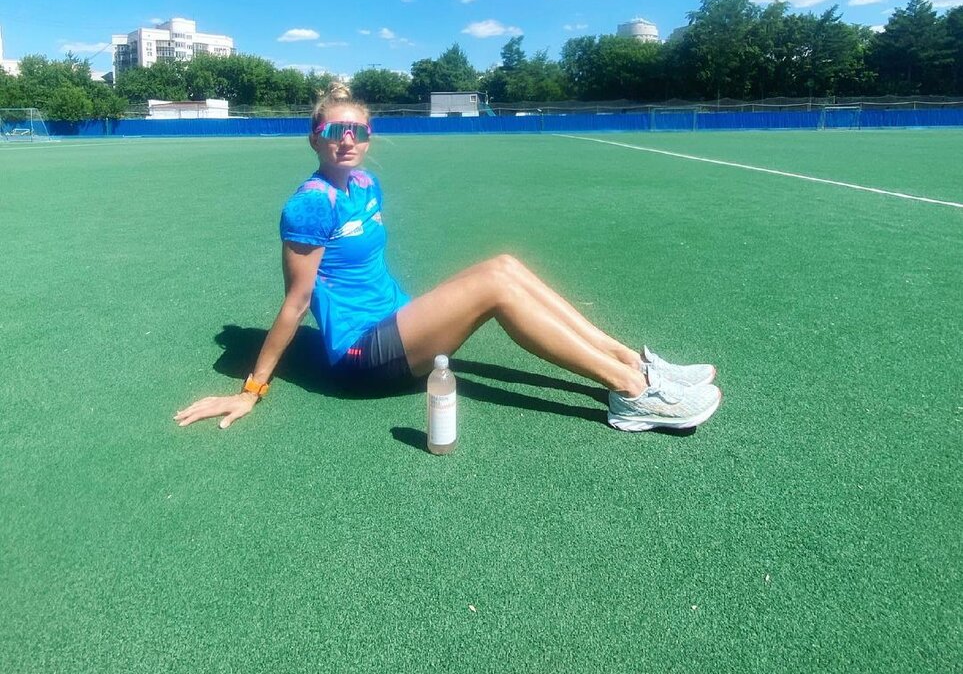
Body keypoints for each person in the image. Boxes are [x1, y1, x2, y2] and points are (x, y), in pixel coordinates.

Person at [174, 86, 722, 435]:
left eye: (358, 131)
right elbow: (295, 305)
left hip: (395, 323)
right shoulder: (310, 204)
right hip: (361, 356)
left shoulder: (364, 185)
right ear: (314, 139)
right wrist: (251, 390)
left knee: (505, 265)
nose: (347, 141)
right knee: (496, 286)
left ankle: (633, 364)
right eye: (334, 132)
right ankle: (631, 394)